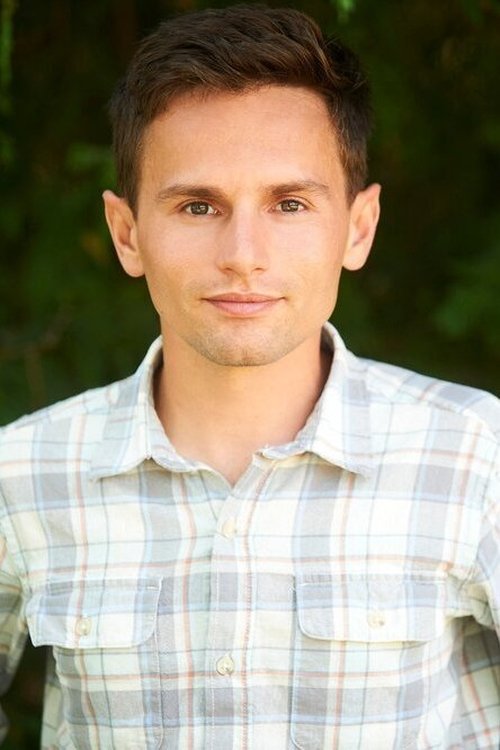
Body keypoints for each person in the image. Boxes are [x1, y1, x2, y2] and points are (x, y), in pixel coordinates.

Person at [0, 4, 498, 748]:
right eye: (198, 206)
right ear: (127, 234)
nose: (242, 254)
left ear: (358, 228)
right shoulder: (20, 474)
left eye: (289, 204)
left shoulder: (477, 455)